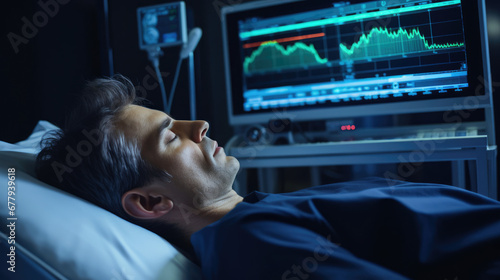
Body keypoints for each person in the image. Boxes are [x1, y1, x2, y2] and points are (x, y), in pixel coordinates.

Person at [36, 75, 500, 280]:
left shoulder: (257, 213)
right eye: (171, 138)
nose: (199, 126)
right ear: (152, 204)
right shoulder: (248, 238)